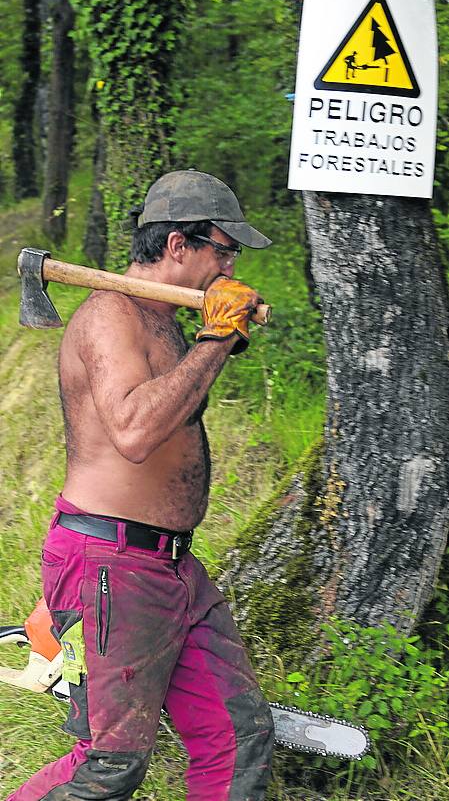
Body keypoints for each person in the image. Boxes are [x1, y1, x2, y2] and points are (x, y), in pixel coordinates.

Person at [8, 169, 275, 801]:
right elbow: (133, 431)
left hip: (173, 568)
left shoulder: (164, 318)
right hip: (110, 564)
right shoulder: (109, 316)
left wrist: (217, 337)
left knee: (238, 737)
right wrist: (214, 340)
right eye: (223, 249)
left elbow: (174, 387)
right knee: (109, 765)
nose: (230, 265)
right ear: (179, 246)